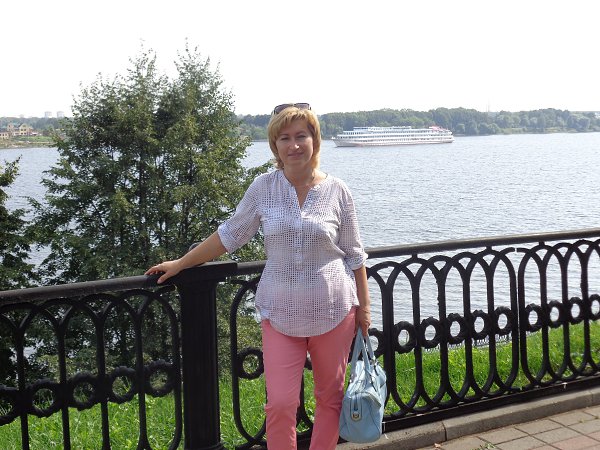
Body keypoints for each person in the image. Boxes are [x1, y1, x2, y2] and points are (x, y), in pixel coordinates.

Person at [145, 103, 371, 449]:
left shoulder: (337, 191)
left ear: (315, 140)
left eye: (301, 136)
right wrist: (182, 264)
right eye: (285, 138)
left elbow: (355, 254)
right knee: (280, 403)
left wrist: (364, 310)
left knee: (330, 399)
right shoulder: (264, 188)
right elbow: (230, 234)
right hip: (279, 312)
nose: (294, 145)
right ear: (275, 145)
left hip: (334, 310)